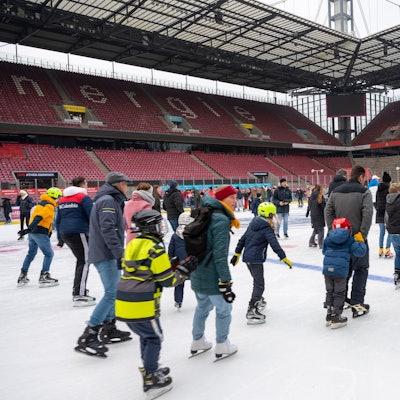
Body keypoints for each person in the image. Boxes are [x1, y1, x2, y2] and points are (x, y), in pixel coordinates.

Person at [115, 209, 198, 399]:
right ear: (151, 227)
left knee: (146, 337)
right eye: (158, 224)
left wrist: (169, 263)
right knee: (154, 338)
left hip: (124, 301)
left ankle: (149, 368)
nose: (162, 228)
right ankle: (151, 378)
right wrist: (184, 270)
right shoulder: (155, 248)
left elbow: (141, 269)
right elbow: (168, 281)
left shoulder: (133, 244)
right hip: (142, 304)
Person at [75, 172, 132, 357]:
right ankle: (89, 334)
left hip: (108, 253)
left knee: (115, 291)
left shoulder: (110, 199)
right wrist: (119, 253)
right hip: (105, 253)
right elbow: (108, 229)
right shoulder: (108, 200)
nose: (127, 187)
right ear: (119, 184)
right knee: (111, 293)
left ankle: (109, 327)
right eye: (125, 184)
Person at [190, 185, 240, 360]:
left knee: (202, 306)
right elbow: (219, 256)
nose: (235, 201)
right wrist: (225, 282)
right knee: (224, 308)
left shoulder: (204, 211)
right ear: (222, 199)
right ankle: (222, 343)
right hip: (211, 273)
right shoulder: (220, 220)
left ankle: (197, 340)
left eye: (236, 197)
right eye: (232, 198)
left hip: (197, 269)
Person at [230, 202, 293, 325]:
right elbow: (275, 244)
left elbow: (242, 239)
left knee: (256, 281)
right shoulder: (266, 228)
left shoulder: (253, 223)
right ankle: (252, 310)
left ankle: (259, 299)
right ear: (270, 214)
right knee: (259, 284)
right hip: (256, 259)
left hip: (248, 258)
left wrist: (237, 254)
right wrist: (284, 258)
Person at [324, 165, 373, 318]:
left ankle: (342, 298)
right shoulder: (364, 191)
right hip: (357, 239)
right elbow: (368, 213)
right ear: (361, 177)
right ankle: (357, 302)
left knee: (344, 269)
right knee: (361, 269)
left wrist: (334, 231)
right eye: (365, 178)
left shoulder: (336, 191)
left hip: (339, 239)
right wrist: (362, 235)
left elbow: (328, 210)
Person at [55, 177, 95, 307]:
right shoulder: (83, 197)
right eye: (87, 183)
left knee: (81, 260)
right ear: (83, 184)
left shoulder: (63, 199)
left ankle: (78, 289)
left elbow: (58, 220)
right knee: (85, 261)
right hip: (79, 232)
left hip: (65, 232)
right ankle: (79, 294)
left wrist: (60, 238)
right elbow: (92, 216)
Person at [322, 218, 366, 329]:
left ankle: (329, 315)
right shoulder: (349, 239)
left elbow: (324, 251)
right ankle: (336, 316)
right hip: (340, 272)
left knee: (330, 291)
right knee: (339, 293)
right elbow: (360, 252)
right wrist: (360, 242)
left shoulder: (328, 238)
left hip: (327, 270)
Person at [17, 187, 62, 287]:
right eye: (59, 197)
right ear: (55, 196)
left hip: (33, 233)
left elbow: (39, 217)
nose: (59, 199)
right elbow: (39, 217)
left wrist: (30, 230)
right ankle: (44, 276)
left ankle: (23, 275)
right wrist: (29, 228)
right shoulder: (49, 206)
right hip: (39, 232)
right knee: (49, 254)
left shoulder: (40, 204)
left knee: (31, 253)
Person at [168, 212, 194, 309]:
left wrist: (170, 259)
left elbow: (171, 250)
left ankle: (178, 301)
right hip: (191, 264)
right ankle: (202, 299)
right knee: (196, 282)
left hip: (179, 264)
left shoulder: (175, 235)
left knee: (179, 283)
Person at [384, 183, 400, 287]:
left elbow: (386, 217)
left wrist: (389, 228)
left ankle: (397, 273)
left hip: (393, 231)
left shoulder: (388, 202)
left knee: (398, 253)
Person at [376, 171, 393, 258]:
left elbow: (376, 201)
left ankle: (380, 249)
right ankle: (387, 249)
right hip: (387, 213)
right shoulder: (389, 189)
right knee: (390, 231)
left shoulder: (378, 189)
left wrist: (378, 209)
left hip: (379, 212)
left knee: (382, 232)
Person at [306, 184, 326, 249]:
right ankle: (321, 244)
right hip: (319, 215)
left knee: (316, 229)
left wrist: (308, 212)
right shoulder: (320, 196)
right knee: (321, 230)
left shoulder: (311, 196)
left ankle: (311, 242)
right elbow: (323, 206)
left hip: (313, 215)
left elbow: (309, 206)